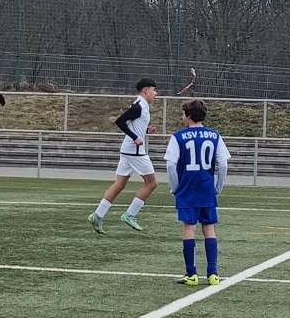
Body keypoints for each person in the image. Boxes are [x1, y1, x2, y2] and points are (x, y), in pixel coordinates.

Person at [164, 99, 231, 286]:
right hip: (206, 188)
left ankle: (191, 274)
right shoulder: (214, 135)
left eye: (183, 113)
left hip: (187, 189)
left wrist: (176, 187)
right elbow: (223, 164)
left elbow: (170, 165)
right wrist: (218, 186)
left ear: (188, 116)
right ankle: (213, 274)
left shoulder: (178, 137)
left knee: (189, 228)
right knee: (209, 228)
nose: (182, 116)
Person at [87, 78, 159, 234]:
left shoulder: (143, 106)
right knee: (152, 183)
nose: (156, 93)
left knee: (119, 184)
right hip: (135, 151)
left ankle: (97, 215)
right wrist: (135, 137)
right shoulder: (138, 106)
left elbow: (133, 125)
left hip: (128, 150)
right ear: (146, 90)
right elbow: (119, 121)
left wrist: (146, 131)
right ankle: (130, 215)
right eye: (154, 90)